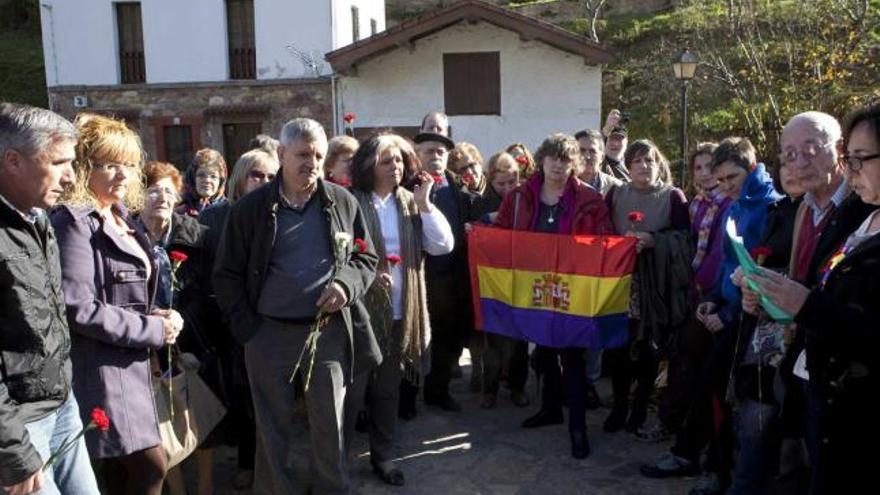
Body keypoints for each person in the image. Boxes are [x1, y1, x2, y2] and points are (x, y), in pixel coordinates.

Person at [213, 118, 378, 494]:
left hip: (327, 332)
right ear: (282, 154)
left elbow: (366, 259)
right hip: (268, 334)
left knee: (329, 424)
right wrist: (249, 331)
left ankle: (330, 488)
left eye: (319, 155)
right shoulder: (250, 210)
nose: (313, 162)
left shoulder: (342, 202)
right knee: (271, 429)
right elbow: (226, 275)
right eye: (303, 154)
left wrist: (345, 286)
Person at [743, 102, 880, 495]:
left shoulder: (856, 209)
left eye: (810, 149)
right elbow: (820, 285)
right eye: (788, 154)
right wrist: (769, 296)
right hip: (815, 378)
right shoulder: (805, 209)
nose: (797, 162)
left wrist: (803, 303)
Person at [52, 113, 183, 495]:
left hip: (133, 369)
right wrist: (153, 329)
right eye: (108, 165)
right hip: (104, 373)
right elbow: (78, 306)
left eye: (128, 164)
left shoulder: (120, 216)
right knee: (149, 468)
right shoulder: (75, 222)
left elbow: (124, 295)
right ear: (82, 168)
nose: (123, 175)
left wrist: (156, 315)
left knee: (128, 475)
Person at [0, 104, 100, 495]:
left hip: (61, 406)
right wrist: (12, 452)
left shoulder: (38, 219)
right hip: (19, 425)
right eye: (59, 162)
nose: (72, 176)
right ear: (13, 161)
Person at [495, 133, 614, 459]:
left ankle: (578, 427)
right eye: (554, 158)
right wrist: (480, 235)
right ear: (542, 160)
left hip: (572, 289)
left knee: (572, 358)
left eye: (566, 159)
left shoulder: (590, 200)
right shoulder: (519, 197)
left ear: (574, 163)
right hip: (534, 287)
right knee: (543, 353)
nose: (559, 165)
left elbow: (603, 241)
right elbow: (504, 231)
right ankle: (550, 409)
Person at [347, 134, 454, 486]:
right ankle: (339, 458)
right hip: (358, 316)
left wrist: (424, 204)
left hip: (399, 313)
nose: (395, 167)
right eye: (386, 161)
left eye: (398, 161)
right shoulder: (351, 202)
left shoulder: (410, 202)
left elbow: (442, 245)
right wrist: (365, 277)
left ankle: (384, 455)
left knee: (387, 391)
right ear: (368, 166)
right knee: (352, 391)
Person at [134, 162, 219, 495]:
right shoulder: (127, 237)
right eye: (153, 189)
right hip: (147, 344)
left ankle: (207, 487)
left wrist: (192, 342)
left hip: (195, 339)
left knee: (201, 416)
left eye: (169, 190)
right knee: (161, 422)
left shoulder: (197, 236)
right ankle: (178, 489)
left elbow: (212, 292)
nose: (161, 197)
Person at [636, 142, 728, 444]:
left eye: (710, 167)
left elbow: (719, 254)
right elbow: (684, 243)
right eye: (698, 168)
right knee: (682, 361)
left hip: (717, 299)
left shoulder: (729, 204)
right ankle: (677, 424)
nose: (704, 174)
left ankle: (690, 433)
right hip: (692, 295)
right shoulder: (696, 204)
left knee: (695, 365)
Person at [198, 148, 279, 490]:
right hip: (231, 321)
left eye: (271, 177)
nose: (263, 182)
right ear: (240, 178)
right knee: (242, 394)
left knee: (273, 398)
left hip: (274, 320)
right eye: (256, 175)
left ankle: (272, 462)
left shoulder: (280, 213)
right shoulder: (217, 216)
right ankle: (248, 460)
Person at [603, 139, 691, 435]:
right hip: (621, 284)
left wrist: (656, 241)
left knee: (649, 348)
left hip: (656, 284)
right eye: (637, 161)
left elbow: (685, 238)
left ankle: (640, 406)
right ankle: (618, 406)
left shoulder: (673, 197)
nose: (644, 166)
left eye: (649, 160)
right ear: (627, 166)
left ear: (658, 164)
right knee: (618, 347)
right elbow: (600, 232)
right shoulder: (616, 195)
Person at [411, 131, 481, 413]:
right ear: (419, 155)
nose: (436, 156)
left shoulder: (455, 184)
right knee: (414, 338)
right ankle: (407, 397)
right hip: (420, 274)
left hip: (453, 276)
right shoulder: (407, 185)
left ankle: (437, 391)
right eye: (429, 151)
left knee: (448, 337)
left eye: (440, 152)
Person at [474, 152, 529, 409]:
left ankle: (517, 386)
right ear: (490, 180)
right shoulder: (482, 202)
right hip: (493, 279)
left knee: (520, 339)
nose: (507, 189)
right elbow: (472, 230)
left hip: (522, 277)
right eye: (501, 184)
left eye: (512, 182)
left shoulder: (526, 200)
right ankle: (490, 388)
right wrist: (485, 222)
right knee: (494, 339)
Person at [176, 148, 228, 217]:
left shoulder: (229, 211)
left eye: (213, 176)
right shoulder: (179, 213)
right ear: (193, 178)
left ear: (220, 181)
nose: (207, 180)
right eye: (201, 175)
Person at [575, 129, 622, 195]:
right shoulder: (562, 184)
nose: (587, 156)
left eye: (592, 151)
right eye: (582, 151)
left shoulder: (616, 188)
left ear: (602, 157)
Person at [600, 110, 631, 181]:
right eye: (611, 139)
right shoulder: (600, 163)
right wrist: (606, 129)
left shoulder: (632, 168)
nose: (615, 143)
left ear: (626, 143)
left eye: (619, 139)